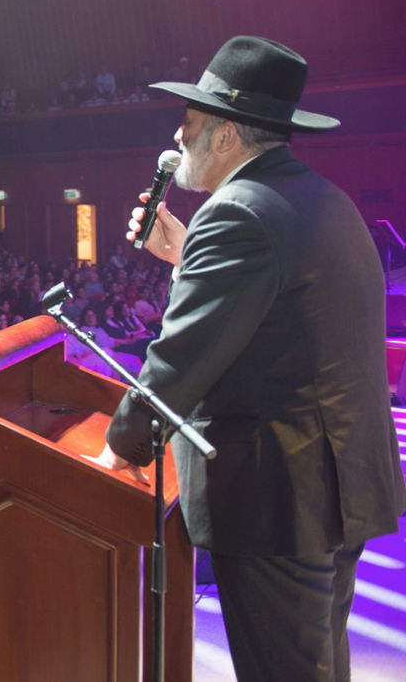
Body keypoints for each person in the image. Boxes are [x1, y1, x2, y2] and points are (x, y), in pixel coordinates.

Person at [102, 36, 406, 682]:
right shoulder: (322, 197)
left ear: (226, 135)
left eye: (189, 121)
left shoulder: (235, 214)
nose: (178, 135)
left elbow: (180, 359)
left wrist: (121, 446)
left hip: (280, 501)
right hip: (335, 484)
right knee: (318, 663)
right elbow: (280, 326)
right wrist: (187, 257)